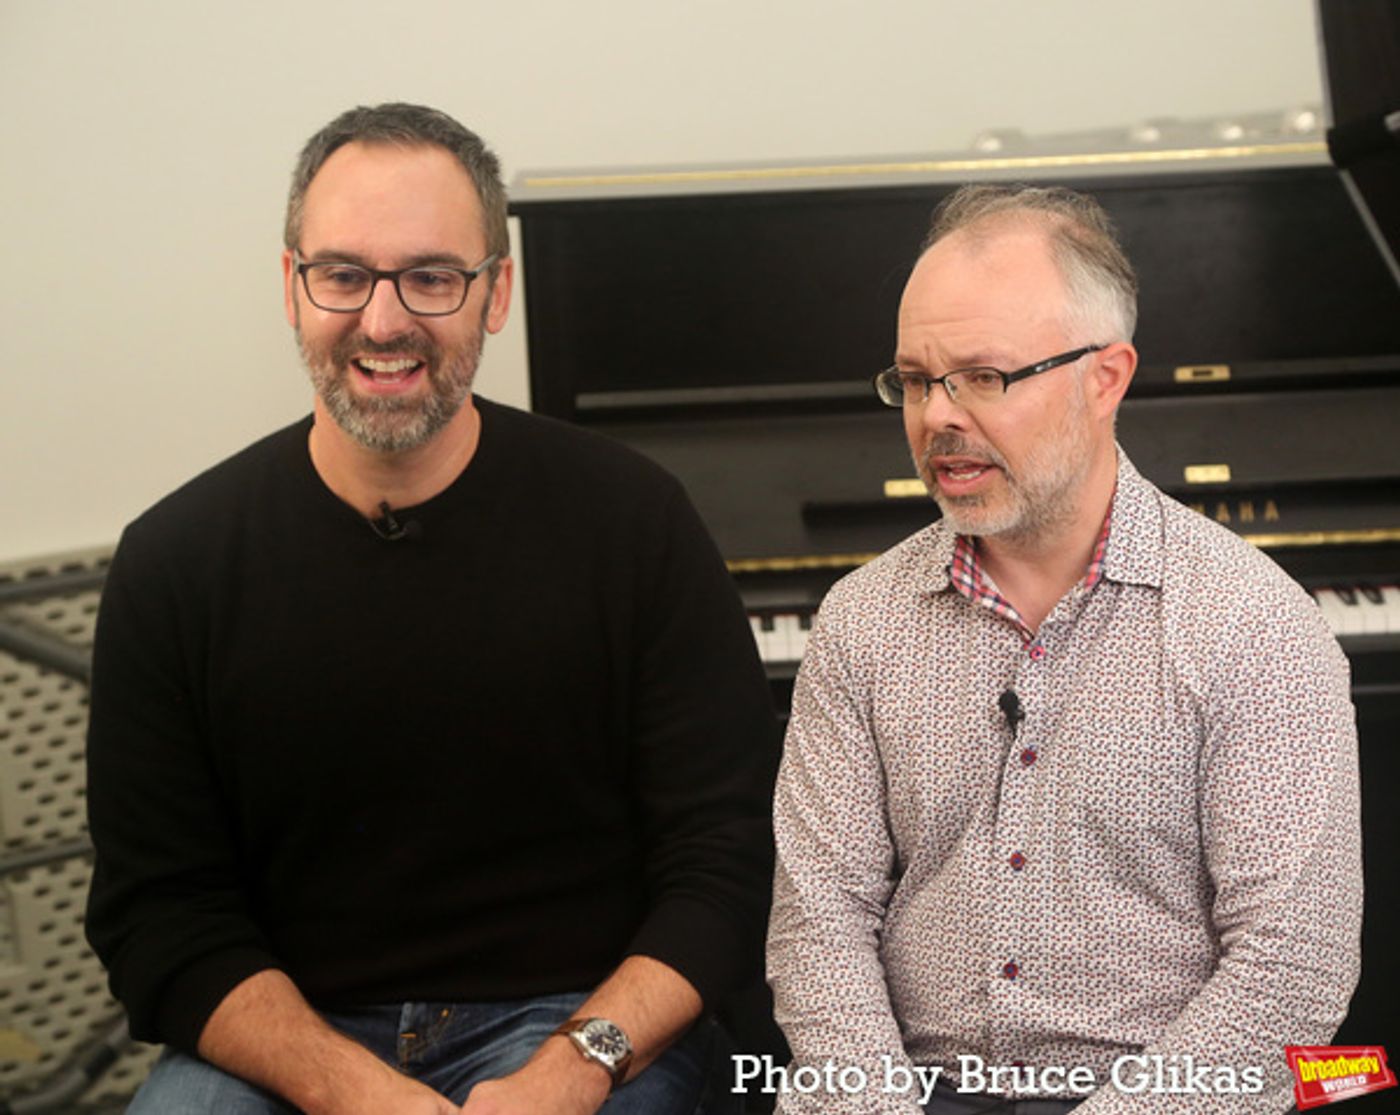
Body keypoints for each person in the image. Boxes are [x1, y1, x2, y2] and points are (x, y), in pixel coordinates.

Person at [84, 102, 778, 1115]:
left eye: (431, 276)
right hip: (293, 1036)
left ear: (495, 293)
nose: (383, 318)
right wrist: (348, 1087)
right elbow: (158, 912)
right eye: (344, 274)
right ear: (291, 285)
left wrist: (574, 1065)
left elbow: (725, 857)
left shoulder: (634, 519)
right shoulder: (172, 562)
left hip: (578, 1025)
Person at [765, 184, 1361, 1114]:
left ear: (1105, 376)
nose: (938, 419)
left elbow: (1294, 966)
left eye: (984, 376)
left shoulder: (1254, 623)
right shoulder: (861, 620)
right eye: (917, 380)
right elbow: (819, 922)